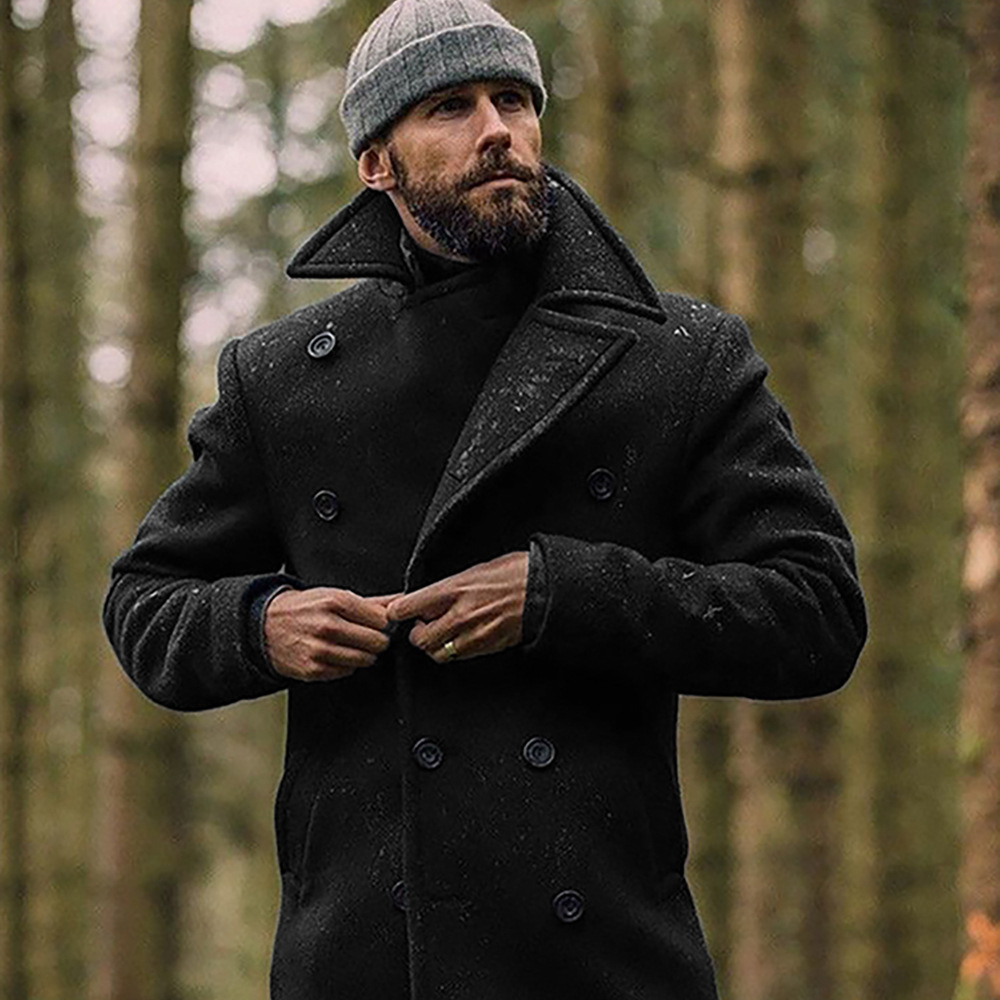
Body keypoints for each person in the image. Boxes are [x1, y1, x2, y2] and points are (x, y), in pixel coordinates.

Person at [103, 1, 867, 997]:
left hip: (603, 961)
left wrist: (560, 595)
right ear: (376, 163)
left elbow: (816, 609)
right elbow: (144, 598)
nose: (497, 129)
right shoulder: (284, 380)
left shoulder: (675, 357)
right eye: (450, 107)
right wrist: (258, 624)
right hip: (364, 962)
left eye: (513, 98)